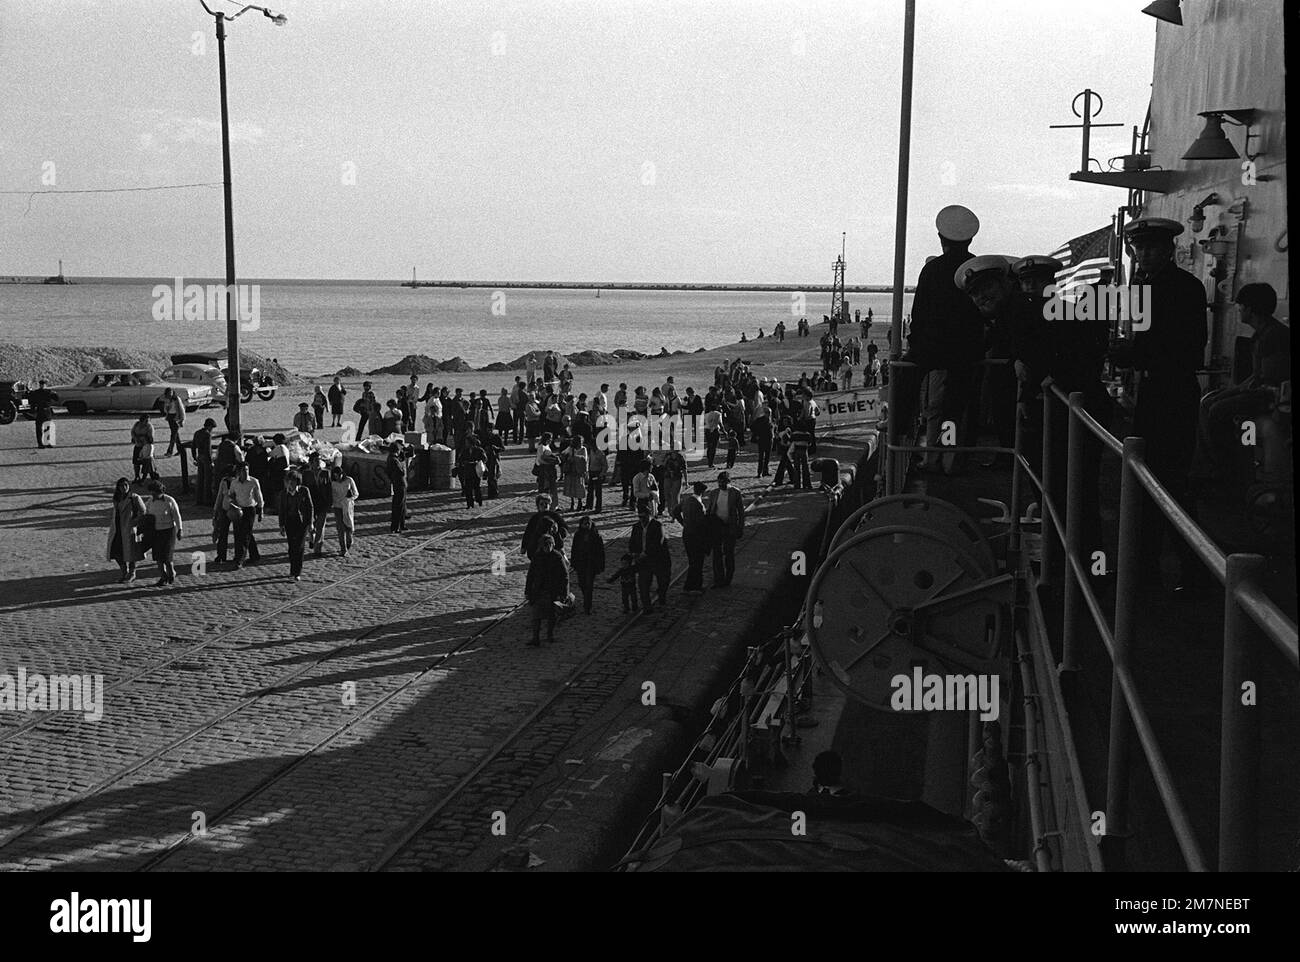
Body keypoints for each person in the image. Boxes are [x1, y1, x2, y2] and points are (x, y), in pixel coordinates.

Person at [1123, 216, 1210, 595]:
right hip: (1154, 391)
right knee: (1149, 481)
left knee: (1169, 482)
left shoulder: (1184, 288)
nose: (1144, 254)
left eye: (1152, 248)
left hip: (1173, 394)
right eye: (1140, 248)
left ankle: (1191, 571)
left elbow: (1188, 348)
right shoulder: (1145, 285)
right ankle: (1149, 574)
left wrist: (1135, 354)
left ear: (1169, 249)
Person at [906, 204, 984, 472]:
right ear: (970, 239)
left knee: (933, 408)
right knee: (955, 410)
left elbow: (919, 315)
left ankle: (931, 455)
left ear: (941, 238)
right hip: (967, 355)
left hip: (935, 354)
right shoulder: (977, 269)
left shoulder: (932, 270)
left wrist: (916, 350)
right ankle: (950, 459)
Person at [1194, 283, 1290, 485]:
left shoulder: (1273, 336)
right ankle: (1214, 464)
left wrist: (1231, 393)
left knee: (1218, 410)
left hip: (1269, 397)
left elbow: (1267, 379)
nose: (1238, 310)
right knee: (1208, 402)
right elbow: (1257, 377)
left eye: (1240, 307)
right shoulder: (1264, 333)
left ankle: (1227, 469)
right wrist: (1230, 391)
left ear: (1250, 309)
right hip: (1260, 391)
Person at [525, 533, 569, 647]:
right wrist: (528, 590)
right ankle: (536, 637)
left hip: (552, 591)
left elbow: (565, 576)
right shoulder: (537, 556)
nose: (548, 547)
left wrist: (564, 592)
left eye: (550, 544)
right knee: (536, 615)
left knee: (551, 615)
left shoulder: (557, 557)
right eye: (546, 545)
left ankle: (549, 634)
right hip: (539, 590)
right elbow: (531, 575)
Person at [704, 471, 745, 587]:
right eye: (719, 483)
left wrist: (740, 527)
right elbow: (710, 510)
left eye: (723, 483)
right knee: (717, 554)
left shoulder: (735, 493)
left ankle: (728, 578)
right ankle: (718, 579)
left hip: (730, 527)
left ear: (728, 482)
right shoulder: (714, 493)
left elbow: (741, 512)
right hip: (717, 527)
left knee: (729, 553)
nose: (721, 485)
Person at [628, 502, 671, 609]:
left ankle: (661, 598)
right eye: (640, 516)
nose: (642, 519)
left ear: (649, 515)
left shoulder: (657, 526)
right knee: (643, 585)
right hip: (643, 562)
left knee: (662, 582)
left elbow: (658, 543)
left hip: (658, 559)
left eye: (644, 516)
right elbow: (632, 543)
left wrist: (646, 553)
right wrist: (634, 553)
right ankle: (647, 607)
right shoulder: (636, 527)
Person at [673, 480, 710, 594]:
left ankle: (692, 586)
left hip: (687, 534)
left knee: (692, 561)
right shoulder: (698, 504)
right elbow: (701, 523)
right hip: (696, 536)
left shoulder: (686, 500)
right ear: (702, 492)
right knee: (697, 562)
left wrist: (683, 523)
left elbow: (675, 511)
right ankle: (692, 586)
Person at [107, 477, 147, 582]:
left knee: (133, 552)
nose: (124, 488)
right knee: (116, 551)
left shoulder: (134, 498)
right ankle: (124, 572)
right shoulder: (117, 498)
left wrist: (134, 522)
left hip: (130, 529)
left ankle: (132, 573)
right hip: (118, 528)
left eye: (126, 485)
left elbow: (143, 512)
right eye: (121, 486)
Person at [144, 479, 183, 587]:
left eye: (155, 493)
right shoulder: (150, 502)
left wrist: (180, 529)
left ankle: (171, 572)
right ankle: (163, 576)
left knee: (167, 557)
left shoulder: (169, 501)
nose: (153, 495)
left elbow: (177, 515)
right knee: (158, 557)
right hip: (155, 532)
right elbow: (145, 514)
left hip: (168, 532)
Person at [278, 470, 314, 581]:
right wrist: (281, 525)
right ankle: (292, 569)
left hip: (301, 523)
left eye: (293, 481)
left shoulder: (304, 491)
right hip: (290, 522)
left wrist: (310, 523)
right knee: (291, 547)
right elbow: (282, 510)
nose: (290, 484)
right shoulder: (284, 494)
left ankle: (296, 572)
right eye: (288, 481)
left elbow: (310, 507)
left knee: (299, 547)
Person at [228, 460, 264, 568]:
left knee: (245, 535)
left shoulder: (253, 482)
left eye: (247, 470)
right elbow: (232, 495)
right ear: (239, 472)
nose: (246, 472)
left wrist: (261, 511)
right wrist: (233, 505)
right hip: (238, 510)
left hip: (250, 510)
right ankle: (255, 555)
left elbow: (259, 497)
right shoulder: (234, 483)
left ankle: (240, 559)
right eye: (243, 470)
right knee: (243, 533)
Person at [570, 516, 606, 614]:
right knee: (581, 584)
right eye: (584, 524)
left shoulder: (596, 536)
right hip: (580, 563)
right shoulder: (578, 535)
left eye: (588, 524)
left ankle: (587, 606)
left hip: (591, 564)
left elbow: (601, 552)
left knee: (589, 585)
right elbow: (574, 549)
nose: (586, 525)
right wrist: (573, 562)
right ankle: (586, 598)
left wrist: (601, 565)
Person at [302, 451, 333, 557]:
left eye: (320, 460)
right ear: (311, 462)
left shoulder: (326, 473)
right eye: (316, 460)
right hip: (311, 502)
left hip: (322, 502)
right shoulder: (306, 474)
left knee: (321, 525)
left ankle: (317, 548)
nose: (318, 462)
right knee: (311, 525)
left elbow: (329, 488)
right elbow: (304, 489)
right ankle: (312, 538)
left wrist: (330, 502)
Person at [521, 494, 568, 560]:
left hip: (554, 544)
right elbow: (528, 532)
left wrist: (560, 532)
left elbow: (564, 527)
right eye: (541, 504)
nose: (544, 505)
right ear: (538, 506)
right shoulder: (535, 518)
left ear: (550, 504)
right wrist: (524, 546)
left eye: (546, 503)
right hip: (538, 545)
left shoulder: (555, 516)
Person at [330, 465, 359, 557]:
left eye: (338, 475)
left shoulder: (349, 480)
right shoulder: (333, 484)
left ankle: (349, 540)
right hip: (337, 507)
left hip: (347, 506)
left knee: (348, 526)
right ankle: (343, 548)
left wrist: (350, 498)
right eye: (335, 476)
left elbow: (356, 493)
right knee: (340, 528)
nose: (337, 477)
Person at [212, 465, 238, 564]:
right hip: (225, 509)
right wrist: (216, 511)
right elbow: (219, 496)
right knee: (222, 533)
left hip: (236, 510)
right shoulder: (224, 482)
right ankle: (221, 555)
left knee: (238, 533)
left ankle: (238, 555)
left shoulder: (238, 483)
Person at [388, 440, 412, 529]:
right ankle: (396, 526)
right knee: (398, 506)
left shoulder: (392, 458)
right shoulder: (394, 460)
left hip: (398, 483)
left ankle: (401, 525)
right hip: (400, 484)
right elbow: (401, 472)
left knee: (401, 506)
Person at [192, 417, 216, 507]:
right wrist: (211, 461)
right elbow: (208, 449)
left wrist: (194, 457)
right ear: (209, 426)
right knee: (207, 479)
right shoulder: (207, 435)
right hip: (206, 457)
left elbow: (193, 446)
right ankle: (207, 499)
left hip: (199, 456)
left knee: (200, 478)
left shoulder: (197, 433)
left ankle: (199, 499)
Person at [456, 435, 484, 509]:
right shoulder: (465, 451)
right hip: (468, 471)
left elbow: (484, 459)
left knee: (476, 487)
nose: (466, 444)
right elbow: (460, 459)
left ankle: (479, 500)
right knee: (468, 488)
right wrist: (462, 463)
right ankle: (469, 504)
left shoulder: (479, 450)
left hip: (476, 471)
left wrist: (477, 461)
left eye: (467, 442)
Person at [29, 379, 58, 448]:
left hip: (40, 410)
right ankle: (47, 443)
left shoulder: (36, 392)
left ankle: (40, 444)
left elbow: (32, 401)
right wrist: (55, 393)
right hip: (46, 410)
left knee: (39, 428)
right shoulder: (49, 392)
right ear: (45, 385)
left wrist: (32, 410)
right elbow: (56, 399)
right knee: (47, 427)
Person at [562, 437, 589, 512]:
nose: (580, 443)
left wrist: (574, 458)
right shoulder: (570, 448)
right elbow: (563, 454)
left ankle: (579, 503)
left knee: (579, 487)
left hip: (579, 472)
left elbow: (585, 460)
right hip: (571, 471)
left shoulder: (583, 449)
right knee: (571, 488)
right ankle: (572, 503)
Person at [131, 414, 158, 484]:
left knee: (147, 463)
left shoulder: (149, 427)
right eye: (146, 420)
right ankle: (137, 476)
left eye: (148, 420)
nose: (147, 422)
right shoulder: (137, 424)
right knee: (136, 462)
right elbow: (132, 432)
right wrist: (135, 438)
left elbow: (150, 437)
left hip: (146, 446)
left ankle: (146, 479)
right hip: (138, 445)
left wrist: (142, 438)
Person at [161, 388, 186, 457]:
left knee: (173, 435)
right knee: (175, 435)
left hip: (176, 417)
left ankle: (170, 451)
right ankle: (181, 450)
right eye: (168, 393)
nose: (170, 394)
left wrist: (182, 419)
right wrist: (167, 407)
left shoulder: (177, 399)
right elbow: (165, 409)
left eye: (171, 393)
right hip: (170, 417)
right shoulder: (167, 399)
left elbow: (181, 409)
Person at [586, 439, 608, 512]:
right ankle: (589, 505)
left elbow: (605, 465)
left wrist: (602, 474)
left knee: (598, 492)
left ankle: (598, 507)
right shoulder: (591, 452)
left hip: (597, 473)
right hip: (591, 473)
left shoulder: (601, 454)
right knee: (590, 490)